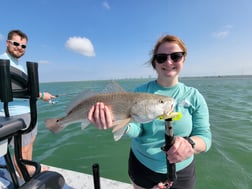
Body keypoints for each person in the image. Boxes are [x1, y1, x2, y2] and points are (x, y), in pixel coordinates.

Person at [88, 34, 212, 189]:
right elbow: (136, 128)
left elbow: (205, 138)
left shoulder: (194, 97)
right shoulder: (140, 91)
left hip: (182, 172)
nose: (168, 62)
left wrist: (191, 144)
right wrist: (118, 123)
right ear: (154, 62)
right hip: (142, 167)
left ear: (183, 59)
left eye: (176, 56)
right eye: (161, 58)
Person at [0, 29, 55, 179]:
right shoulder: (3, 64)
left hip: (26, 111)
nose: (19, 48)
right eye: (16, 43)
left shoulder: (17, 66)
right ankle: (28, 175)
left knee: (29, 143)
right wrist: (43, 95)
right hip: (17, 114)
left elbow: (22, 89)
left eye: (23, 46)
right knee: (22, 149)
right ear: (7, 43)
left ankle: (28, 167)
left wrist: (40, 95)